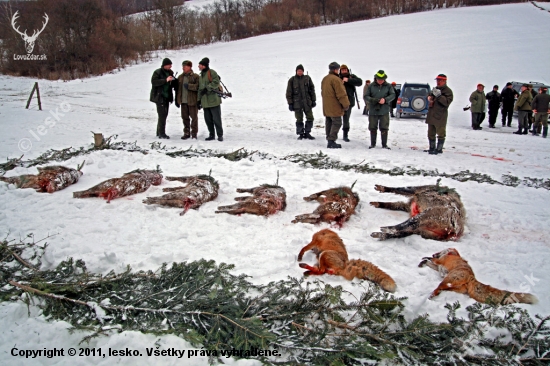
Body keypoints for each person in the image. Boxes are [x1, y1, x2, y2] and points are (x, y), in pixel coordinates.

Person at [321, 62, 350, 149]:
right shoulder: (336, 79)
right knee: (337, 122)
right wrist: (346, 104)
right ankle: (331, 140)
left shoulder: (325, 79)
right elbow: (341, 94)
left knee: (329, 121)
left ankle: (329, 139)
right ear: (336, 70)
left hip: (326, 105)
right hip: (335, 105)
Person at [365, 70, 395, 149]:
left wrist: (385, 100)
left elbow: (393, 95)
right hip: (373, 109)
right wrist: (373, 100)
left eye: (382, 79)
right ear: (376, 78)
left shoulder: (388, 86)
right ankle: (373, 144)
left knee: (384, 127)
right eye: (379, 79)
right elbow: (366, 96)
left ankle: (384, 145)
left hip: (384, 110)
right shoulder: (371, 86)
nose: (380, 81)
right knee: (372, 127)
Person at [150, 58, 178, 139]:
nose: (171, 66)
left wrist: (173, 81)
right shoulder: (157, 72)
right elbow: (154, 82)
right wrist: (165, 80)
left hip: (167, 97)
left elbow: (171, 85)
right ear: (165, 65)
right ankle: (162, 133)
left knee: (164, 115)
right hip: (159, 97)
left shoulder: (170, 72)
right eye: (169, 64)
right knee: (162, 115)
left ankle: (159, 132)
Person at [286, 64, 316, 140]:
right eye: (298, 71)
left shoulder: (307, 78)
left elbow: (312, 90)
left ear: (303, 71)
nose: (300, 72)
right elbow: (289, 92)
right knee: (299, 119)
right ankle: (301, 133)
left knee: (310, 118)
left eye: (301, 71)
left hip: (307, 103)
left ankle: (307, 133)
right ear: (296, 71)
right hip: (297, 104)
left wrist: (313, 100)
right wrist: (290, 103)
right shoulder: (292, 80)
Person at [425, 74, 453, 155]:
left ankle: (439, 149)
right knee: (430, 133)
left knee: (441, 133)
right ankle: (432, 148)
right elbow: (429, 94)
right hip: (431, 114)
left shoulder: (448, 91)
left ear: (444, 81)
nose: (438, 82)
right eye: (437, 80)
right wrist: (429, 96)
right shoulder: (436, 89)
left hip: (440, 116)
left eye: (440, 80)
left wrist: (439, 96)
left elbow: (447, 102)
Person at [197, 57, 223, 141]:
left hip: (213, 100)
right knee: (208, 120)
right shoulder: (201, 75)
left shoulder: (212, 72)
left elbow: (216, 82)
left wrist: (207, 88)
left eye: (200, 65)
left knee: (216, 119)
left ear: (204, 66)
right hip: (205, 102)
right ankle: (211, 134)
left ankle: (220, 135)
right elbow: (200, 89)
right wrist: (198, 100)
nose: (198, 66)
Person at [176, 60, 200, 139]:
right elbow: (177, 89)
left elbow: (198, 87)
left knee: (194, 118)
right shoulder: (180, 77)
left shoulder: (195, 76)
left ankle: (194, 133)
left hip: (192, 101)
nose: (183, 68)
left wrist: (189, 86)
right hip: (183, 101)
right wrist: (177, 100)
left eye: (185, 66)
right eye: (182, 66)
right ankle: (186, 133)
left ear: (190, 67)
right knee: (185, 118)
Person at [338, 64, 362, 142]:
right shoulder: (337, 77)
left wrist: (348, 80)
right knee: (336, 119)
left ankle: (345, 134)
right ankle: (333, 133)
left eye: (345, 70)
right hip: (338, 102)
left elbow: (359, 82)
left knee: (346, 119)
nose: (344, 71)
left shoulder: (351, 76)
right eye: (343, 70)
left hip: (349, 102)